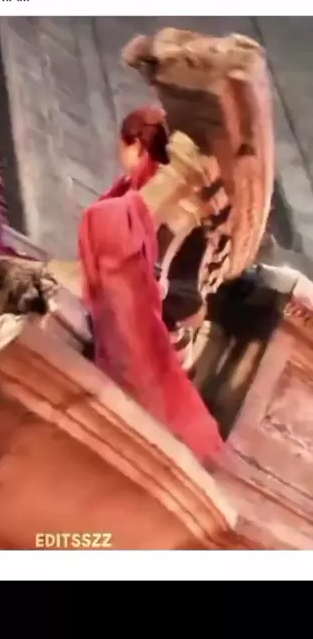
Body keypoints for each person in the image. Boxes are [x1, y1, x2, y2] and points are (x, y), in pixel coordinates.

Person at [78, 105, 224, 465]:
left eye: (125, 149)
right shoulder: (139, 196)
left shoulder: (166, 204)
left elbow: (188, 300)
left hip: (162, 336)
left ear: (135, 146)